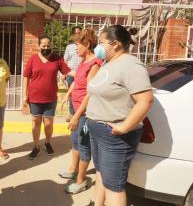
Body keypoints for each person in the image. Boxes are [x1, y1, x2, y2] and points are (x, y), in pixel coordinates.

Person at [86, 25, 153, 206]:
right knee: (100, 172)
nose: (97, 47)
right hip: (97, 129)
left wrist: (124, 127)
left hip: (114, 135)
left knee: (113, 186)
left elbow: (145, 100)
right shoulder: (108, 63)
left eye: (101, 43)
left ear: (115, 44)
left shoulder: (131, 66)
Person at [58, 29, 102, 194]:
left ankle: (81, 180)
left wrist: (77, 115)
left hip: (85, 113)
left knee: (83, 144)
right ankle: (73, 169)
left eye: (78, 45)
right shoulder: (83, 61)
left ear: (87, 45)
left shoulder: (95, 64)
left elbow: (90, 92)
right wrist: (66, 97)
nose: (75, 48)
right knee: (75, 140)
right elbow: (77, 82)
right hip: (77, 109)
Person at [23, 36, 71, 159]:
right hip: (35, 97)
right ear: (38, 46)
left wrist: (83, 72)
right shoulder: (33, 59)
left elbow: (68, 71)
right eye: (43, 46)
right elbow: (26, 77)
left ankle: (47, 142)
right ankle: (36, 146)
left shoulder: (57, 59)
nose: (46, 48)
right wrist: (25, 95)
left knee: (48, 123)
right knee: (36, 122)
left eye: (48, 46)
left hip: (50, 98)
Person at [63, 26, 82, 122]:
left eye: (79, 33)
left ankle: (79, 114)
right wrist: (63, 74)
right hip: (70, 74)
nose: (77, 35)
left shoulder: (84, 46)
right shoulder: (69, 47)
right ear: (72, 35)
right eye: (75, 33)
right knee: (71, 94)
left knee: (80, 94)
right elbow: (65, 60)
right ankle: (71, 114)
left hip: (82, 74)